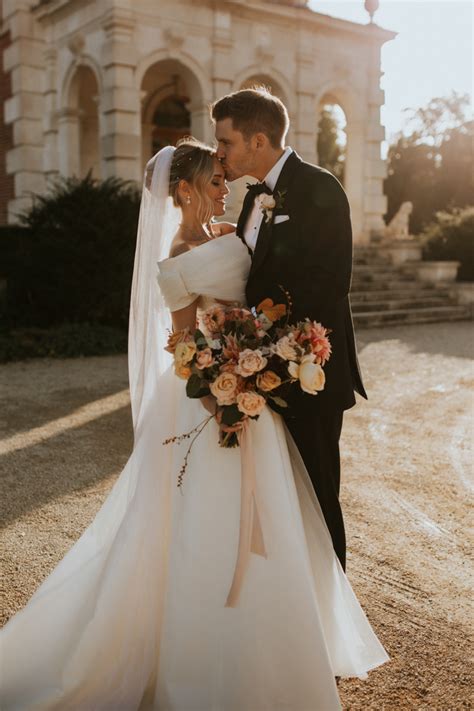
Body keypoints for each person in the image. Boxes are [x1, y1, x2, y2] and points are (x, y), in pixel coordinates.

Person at [0, 138, 388, 711]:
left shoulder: (230, 233)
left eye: (223, 178)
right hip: (210, 403)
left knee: (275, 518)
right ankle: (202, 656)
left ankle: (277, 644)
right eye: (213, 180)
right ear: (182, 190)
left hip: (252, 391)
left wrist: (260, 366)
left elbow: (262, 295)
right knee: (204, 519)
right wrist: (222, 401)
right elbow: (184, 342)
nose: (223, 185)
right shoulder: (177, 255)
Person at [212, 87, 367, 572]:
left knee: (318, 496)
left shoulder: (321, 189)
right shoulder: (250, 200)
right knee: (276, 501)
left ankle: (333, 615)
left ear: (259, 141)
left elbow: (327, 286)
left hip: (309, 371)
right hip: (261, 374)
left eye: (226, 143)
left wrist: (268, 349)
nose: (220, 154)